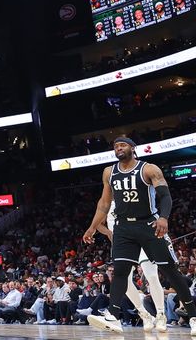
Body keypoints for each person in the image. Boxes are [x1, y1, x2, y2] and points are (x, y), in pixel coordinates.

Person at [83, 137, 196, 334]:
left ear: (133, 148)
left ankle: (193, 315)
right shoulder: (109, 172)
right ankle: (113, 316)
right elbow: (104, 203)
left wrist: (163, 217)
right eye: (115, 146)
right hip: (123, 228)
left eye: (123, 145)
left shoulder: (149, 169)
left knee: (170, 272)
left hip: (149, 224)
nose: (118, 148)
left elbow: (166, 196)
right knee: (120, 271)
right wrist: (92, 227)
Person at [84, 197, 167, 332]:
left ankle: (161, 314)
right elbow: (98, 223)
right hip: (122, 243)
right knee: (124, 281)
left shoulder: (132, 194)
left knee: (151, 275)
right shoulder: (106, 200)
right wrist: (108, 232)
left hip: (141, 238)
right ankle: (144, 315)